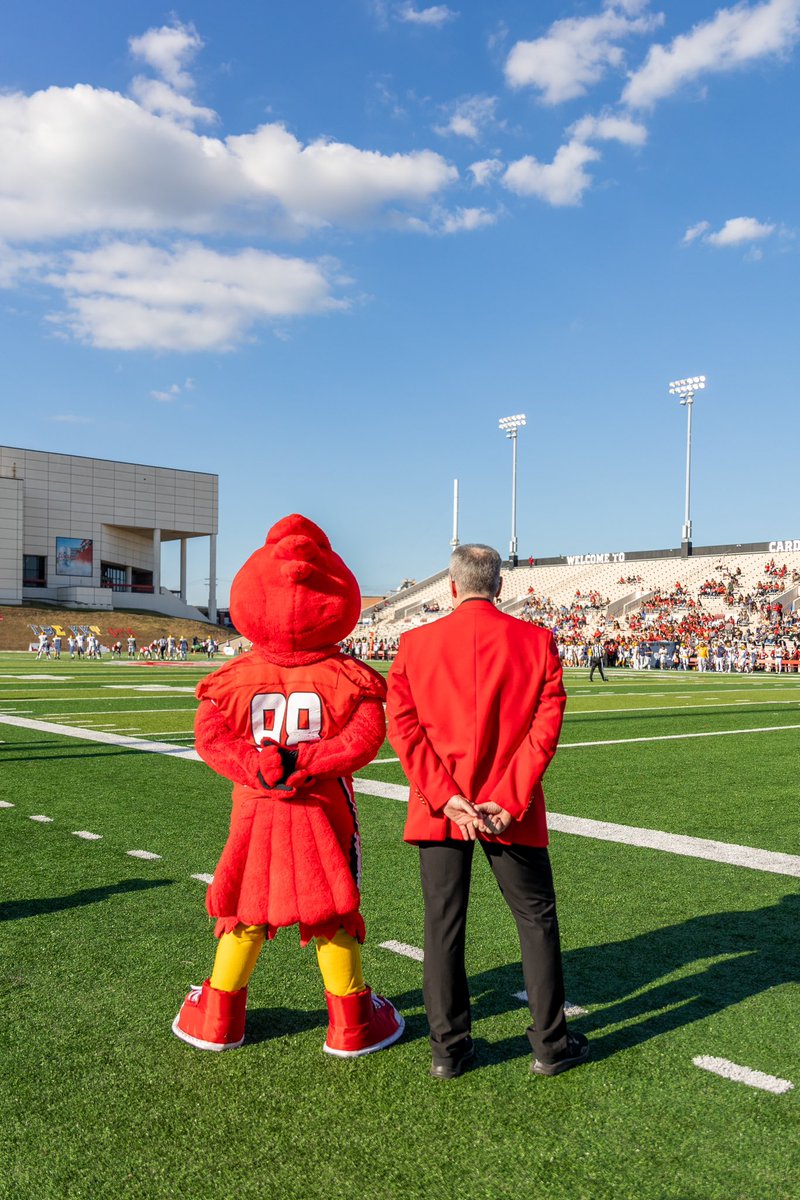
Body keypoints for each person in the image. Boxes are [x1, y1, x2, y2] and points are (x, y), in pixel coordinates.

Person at [387, 543, 589, 1080]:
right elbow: (545, 729)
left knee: (443, 925)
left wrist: (443, 794)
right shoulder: (536, 641)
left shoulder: (414, 644)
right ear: (499, 585)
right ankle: (550, 1044)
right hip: (509, 807)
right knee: (536, 920)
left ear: (451, 586)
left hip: (441, 807)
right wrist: (509, 794)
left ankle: (448, 1051)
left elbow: (403, 728)